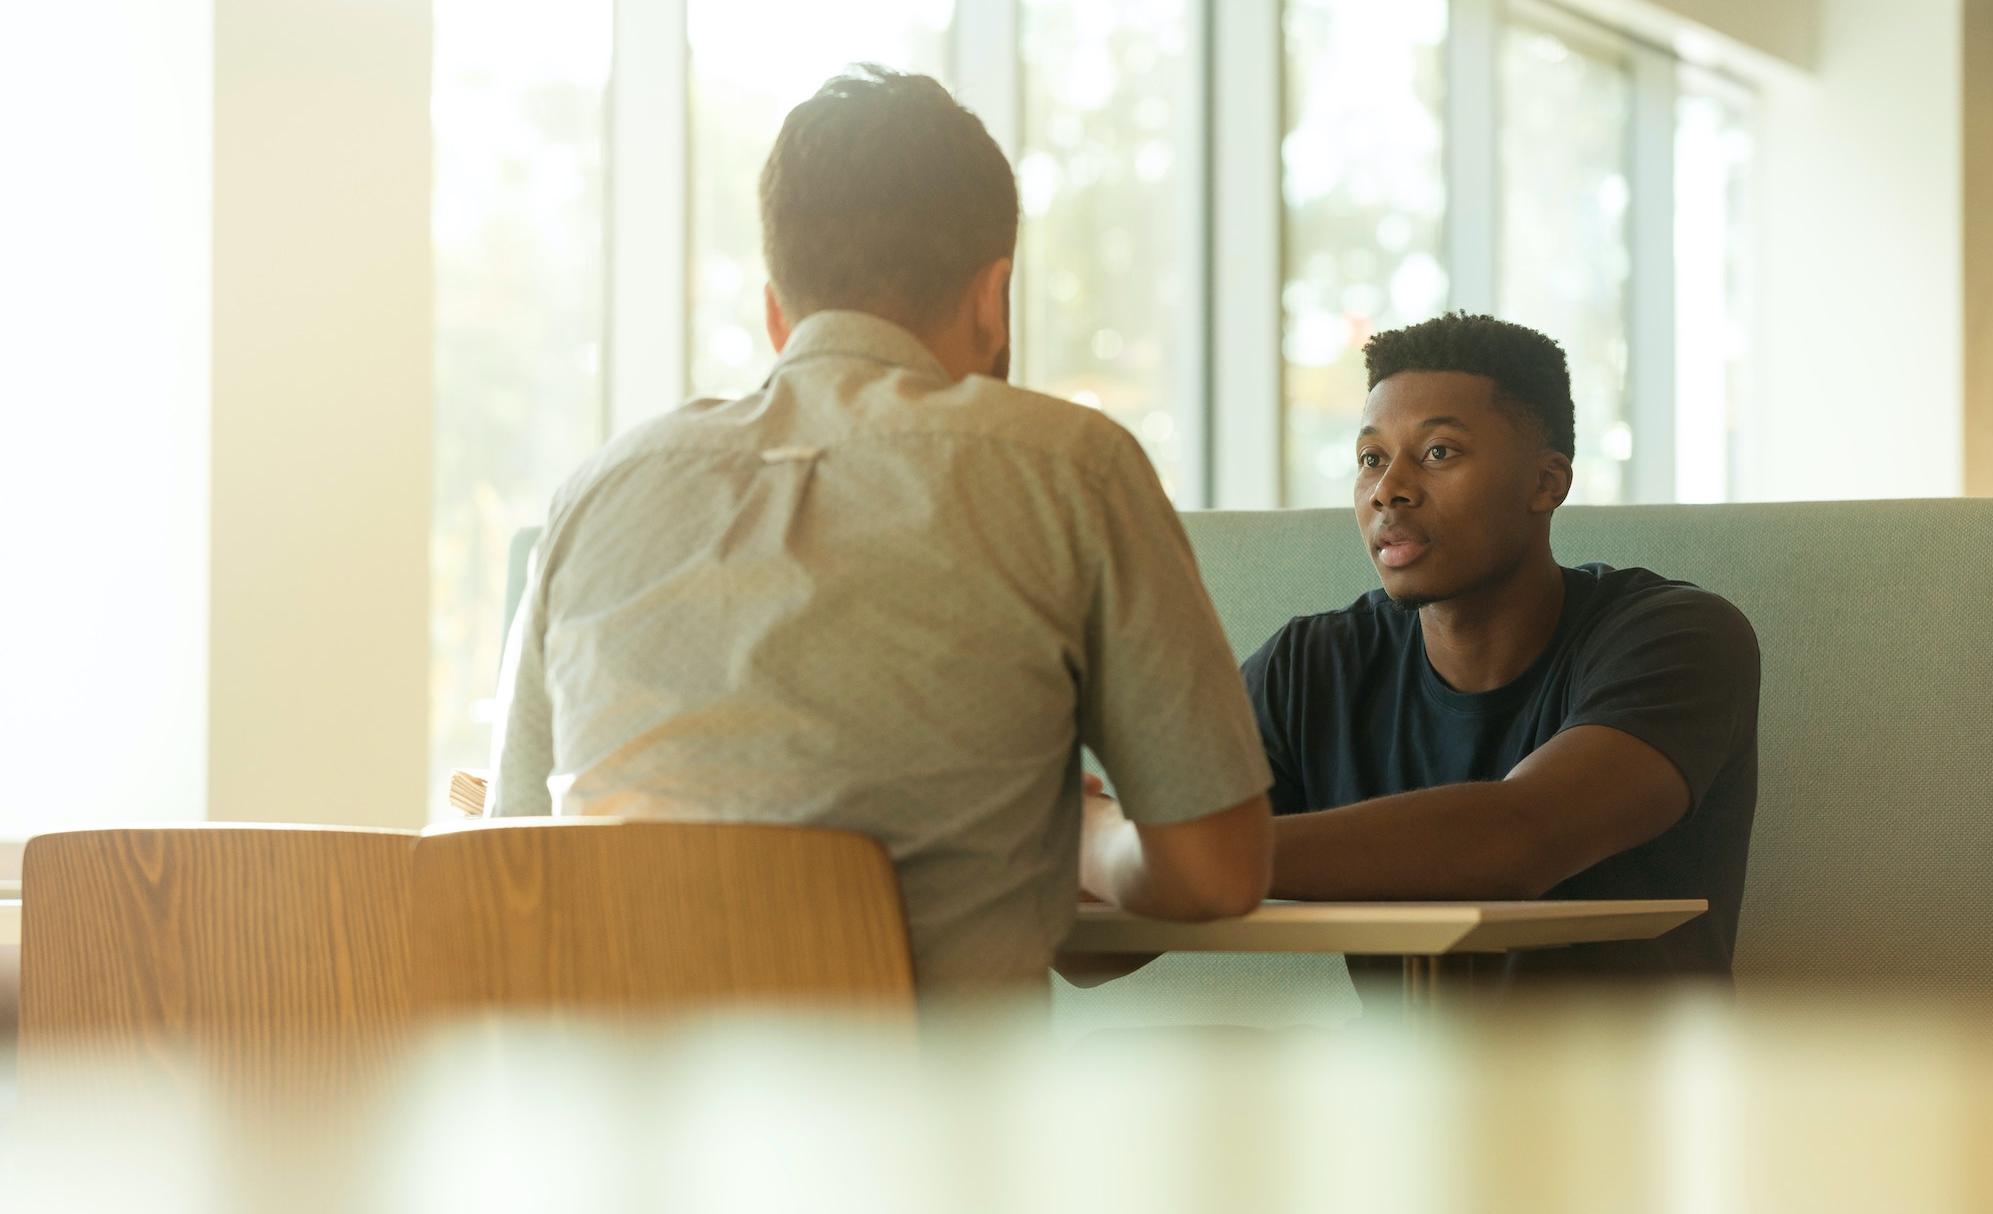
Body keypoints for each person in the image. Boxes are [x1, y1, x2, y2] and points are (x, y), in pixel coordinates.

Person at [484, 66, 1273, 998]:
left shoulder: (596, 492)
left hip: (616, 1129)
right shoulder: (1071, 467)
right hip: (931, 1131)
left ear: (778, 311)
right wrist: (1088, 836)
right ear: (995, 298)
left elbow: (509, 861)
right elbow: (1216, 872)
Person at [1242, 312, 1759, 988]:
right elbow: (1097, 950)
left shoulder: (1679, 638)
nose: (1387, 489)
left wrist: (1177, 856)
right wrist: (1102, 846)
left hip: (1635, 1087)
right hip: (1402, 1088)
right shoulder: (1310, 668)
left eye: (1438, 453)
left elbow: (1516, 840)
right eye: (1371, 458)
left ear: (1547, 483)